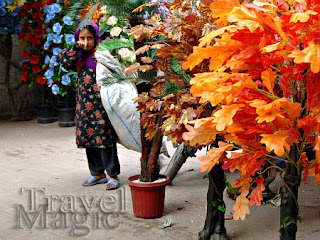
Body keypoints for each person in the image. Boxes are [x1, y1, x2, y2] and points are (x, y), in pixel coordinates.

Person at [57, 21, 120, 190]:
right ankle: (97, 173)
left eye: (89, 38)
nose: (86, 41)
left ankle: (112, 174)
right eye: (82, 37)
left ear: (96, 38)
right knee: (89, 137)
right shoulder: (77, 55)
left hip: (100, 104)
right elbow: (63, 60)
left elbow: (115, 70)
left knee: (104, 137)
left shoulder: (101, 54)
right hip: (84, 105)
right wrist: (76, 47)